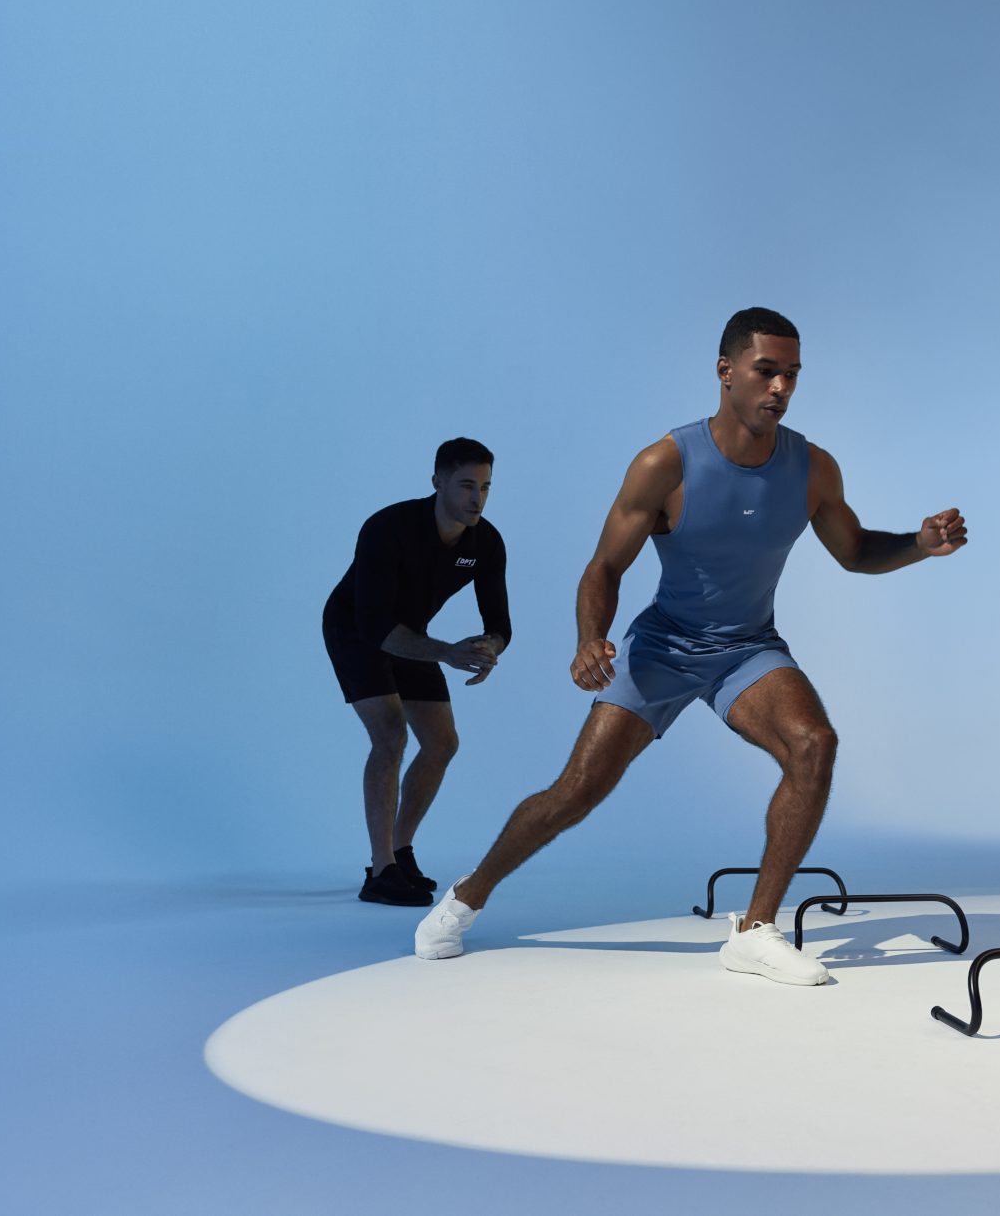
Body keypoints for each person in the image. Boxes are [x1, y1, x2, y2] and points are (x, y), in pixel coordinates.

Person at [414, 309, 966, 982]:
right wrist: (591, 639)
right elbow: (605, 568)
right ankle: (468, 895)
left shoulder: (812, 468)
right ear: (726, 370)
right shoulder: (665, 463)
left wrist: (918, 545)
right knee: (576, 792)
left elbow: (853, 553)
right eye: (767, 371)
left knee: (814, 745)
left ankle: (755, 930)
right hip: (664, 647)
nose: (780, 388)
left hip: (748, 650)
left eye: (791, 375)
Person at [323, 437, 511, 907]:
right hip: (356, 631)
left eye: (486, 488)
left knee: (443, 743)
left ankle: (400, 851)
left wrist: (491, 647)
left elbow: (500, 623)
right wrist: (447, 652)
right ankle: (380, 871)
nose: (477, 498)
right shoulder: (389, 528)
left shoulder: (485, 542)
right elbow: (375, 627)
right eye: (467, 485)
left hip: (412, 634)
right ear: (438, 482)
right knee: (390, 736)